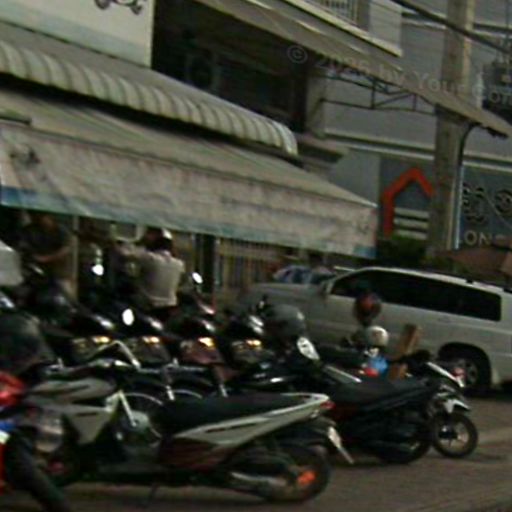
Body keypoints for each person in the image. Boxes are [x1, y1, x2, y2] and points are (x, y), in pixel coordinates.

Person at [118, 227, 185, 321]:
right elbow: (181, 283)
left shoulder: (150, 258)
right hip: (169, 308)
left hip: (147, 306)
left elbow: (123, 253)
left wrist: (139, 243)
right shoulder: (179, 264)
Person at [19, 212, 74, 297]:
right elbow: (23, 245)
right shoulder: (30, 230)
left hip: (58, 271)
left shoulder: (60, 230)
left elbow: (65, 249)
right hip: (37, 272)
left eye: (41, 217)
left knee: (63, 294)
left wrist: (46, 258)